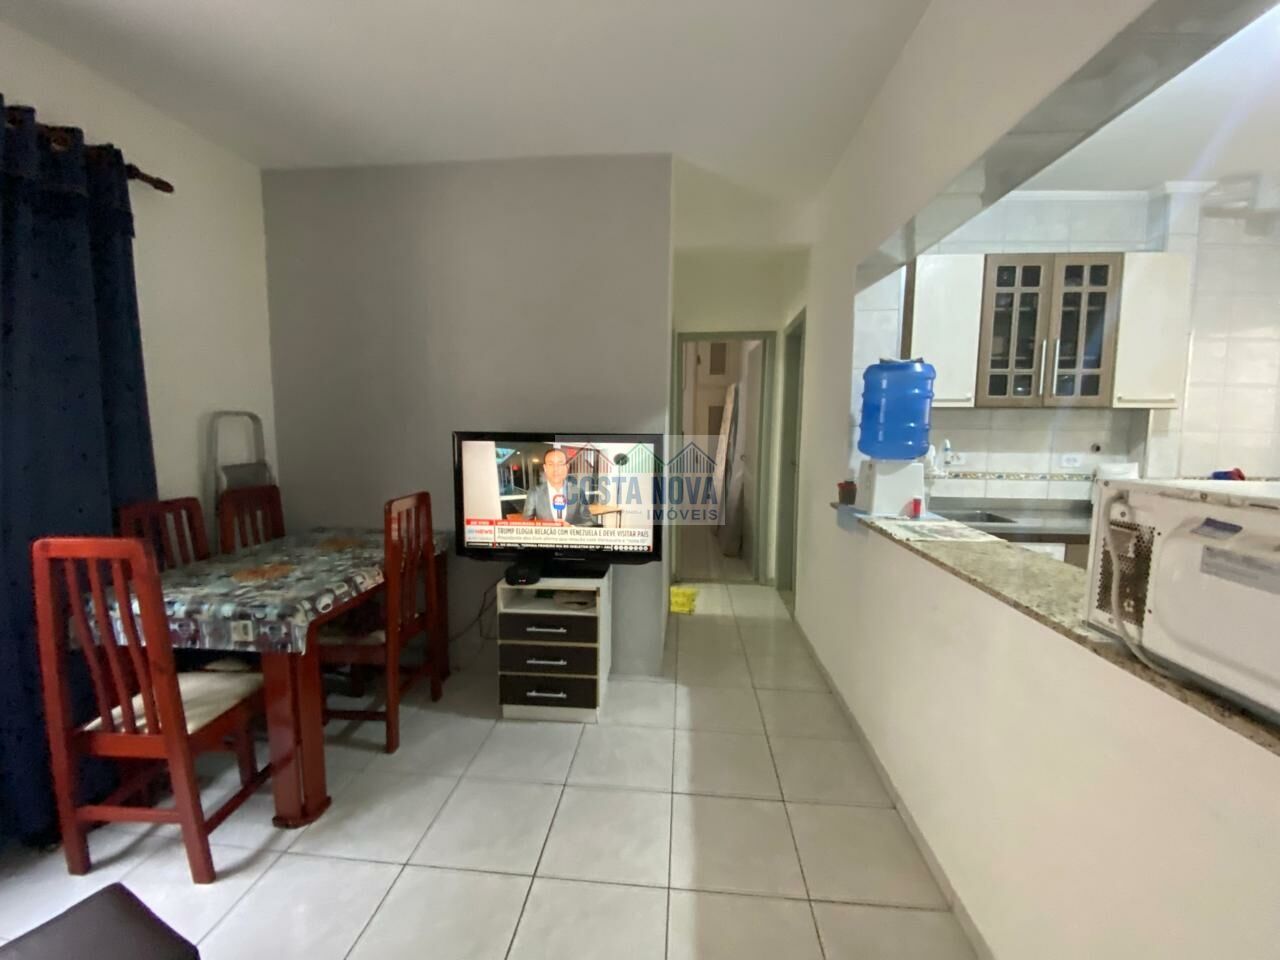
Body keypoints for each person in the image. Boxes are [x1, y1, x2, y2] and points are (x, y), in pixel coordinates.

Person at [522, 448, 596, 525]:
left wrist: (571, 528)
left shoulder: (578, 492)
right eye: (551, 464)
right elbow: (526, 524)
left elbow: (588, 522)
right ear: (545, 468)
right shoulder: (534, 493)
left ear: (567, 467)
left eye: (560, 464)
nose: (555, 469)